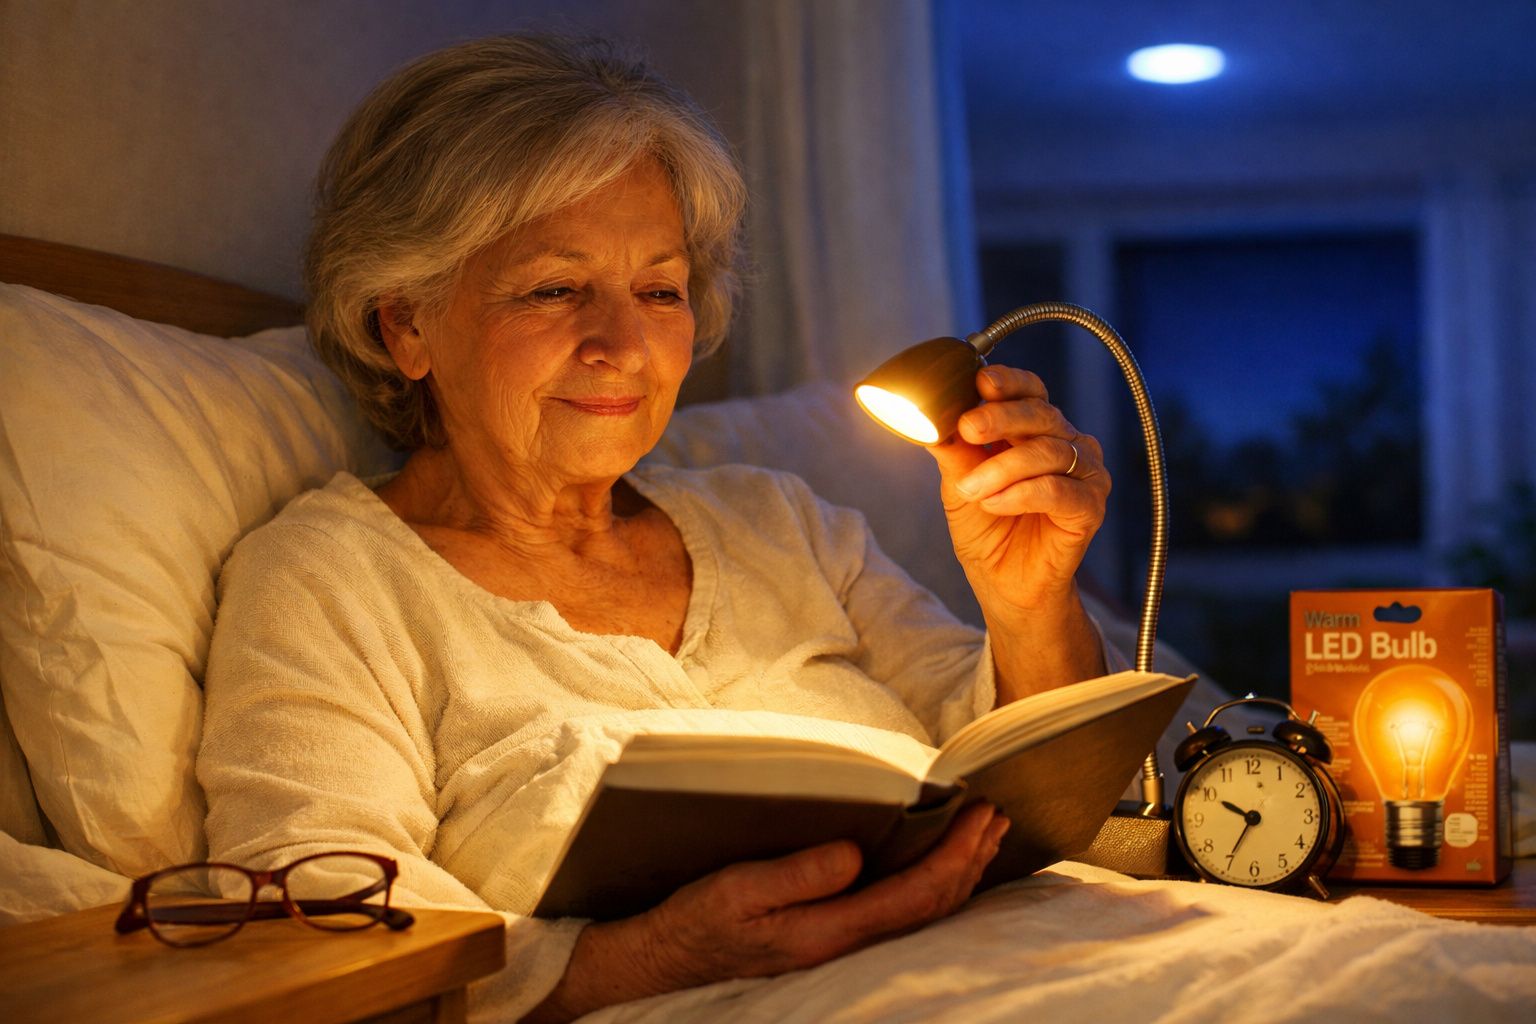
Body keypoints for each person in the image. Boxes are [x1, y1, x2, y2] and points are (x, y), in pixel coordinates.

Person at [198, 34, 1114, 1022]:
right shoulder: (331, 579)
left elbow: (1052, 798)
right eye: (557, 287)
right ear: (406, 326)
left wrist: (1030, 601)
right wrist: (656, 958)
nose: (624, 345)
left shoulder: (785, 522)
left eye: (660, 289)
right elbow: (317, 939)